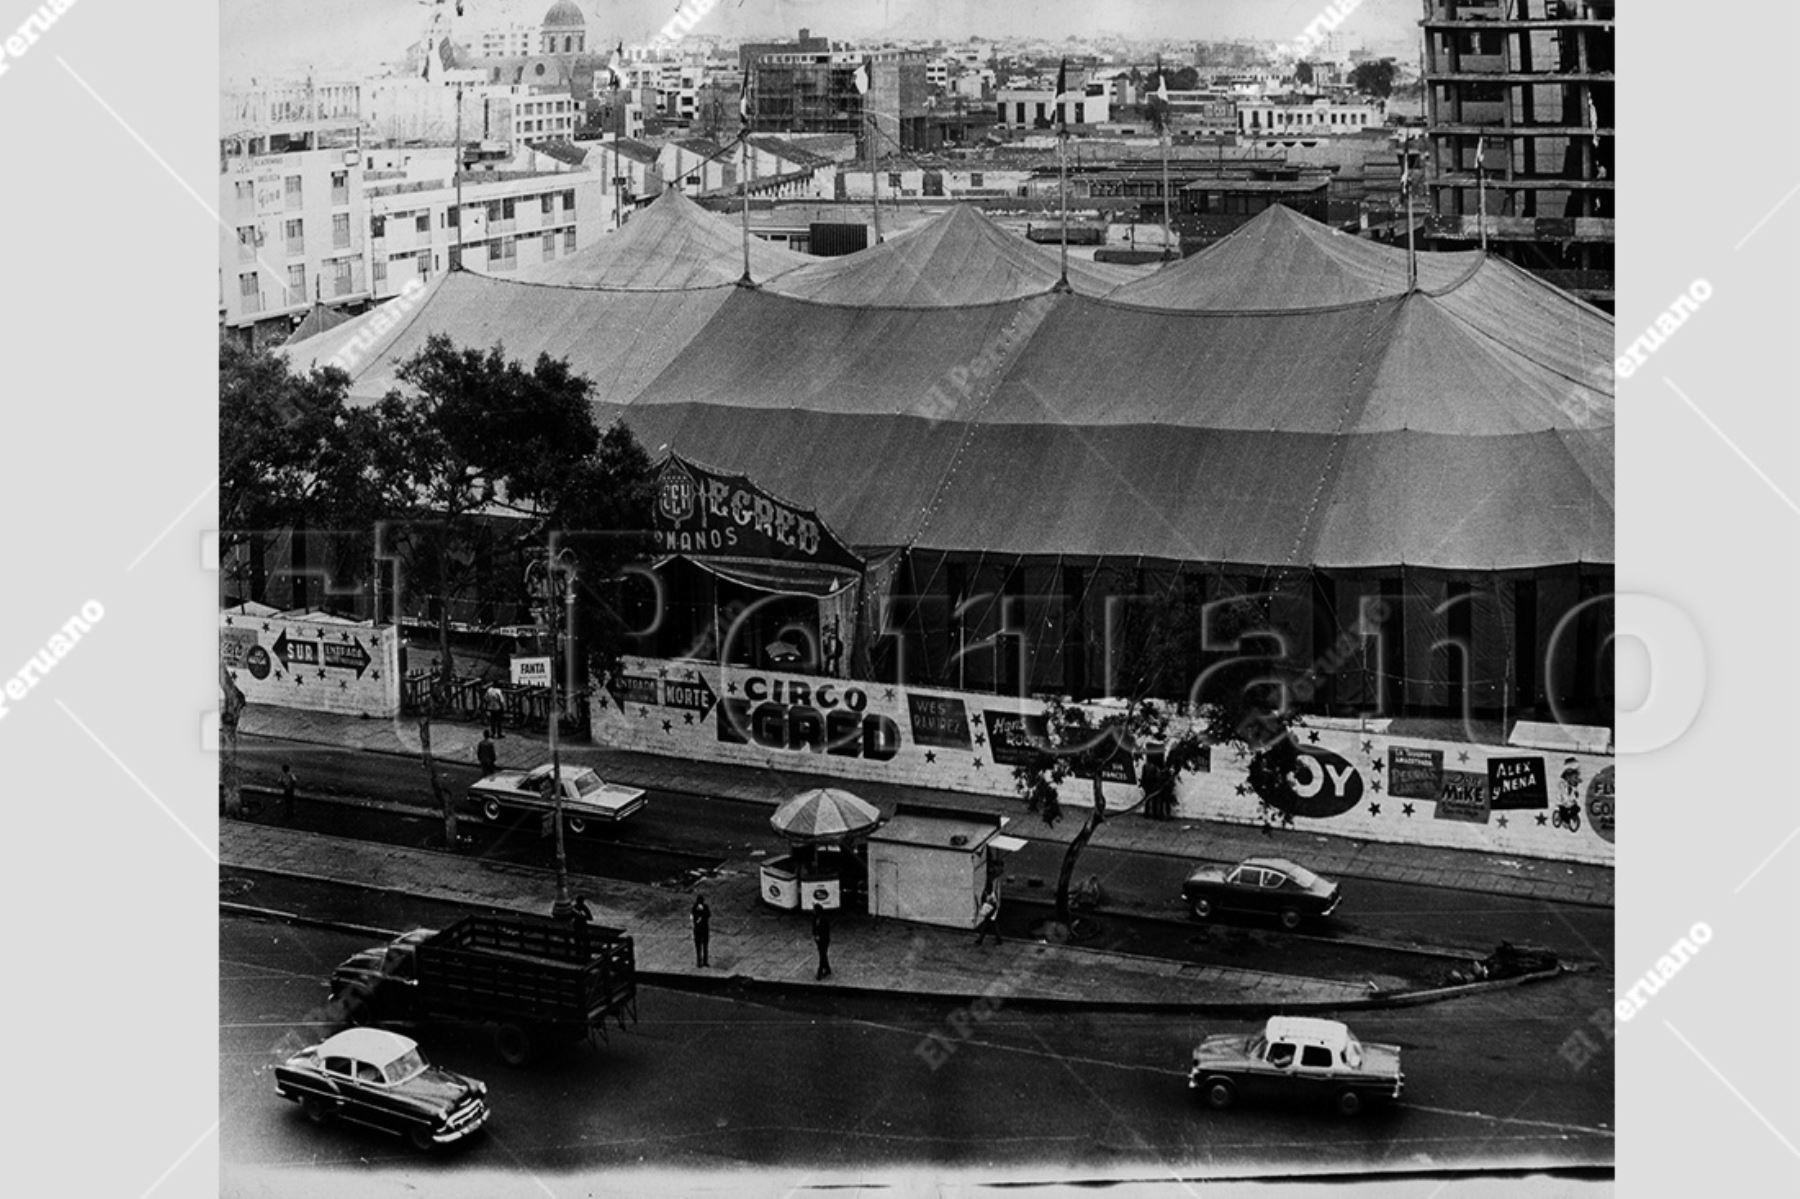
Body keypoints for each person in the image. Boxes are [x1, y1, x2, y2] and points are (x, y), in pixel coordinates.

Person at [811, 907, 832, 979]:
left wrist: (820, 937)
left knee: (822, 955)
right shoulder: (814, 919)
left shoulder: (824, 920)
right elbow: (814, 928)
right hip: (818, 941)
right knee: (823, 955)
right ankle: (828, 969)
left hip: (824, 940)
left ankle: (819, 972)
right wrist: (815, 936)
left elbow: (826, 931)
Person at [691, 895, 711, 967]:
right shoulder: (694, 908)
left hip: (703, 929)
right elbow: (695, 919)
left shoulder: (705, 907)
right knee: (699, 947)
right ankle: (699, 962)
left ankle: (704, 961)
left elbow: (708, 915)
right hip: (699, 930)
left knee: (704, 946)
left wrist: (702, 912)